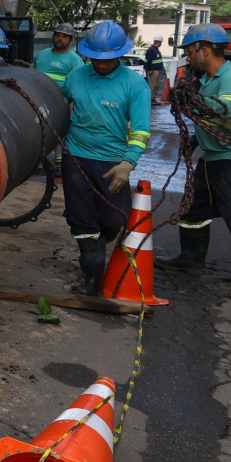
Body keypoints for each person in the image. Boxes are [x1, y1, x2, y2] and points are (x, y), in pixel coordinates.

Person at [157, 22, 231, 300]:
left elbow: (225, 108)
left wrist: (191, 101)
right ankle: (191, 260)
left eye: (190, 52)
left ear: (204, 50)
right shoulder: (206, 79)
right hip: (213, 159)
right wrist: (196, 140)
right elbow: (209, 120)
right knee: (192, 210)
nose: (187, 57)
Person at [59, 21, 153, 294]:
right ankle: (92, 279)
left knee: (113, 220)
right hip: (75, 157)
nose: (101, 64)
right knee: (82, 218)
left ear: (120, 55)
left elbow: (141, 129)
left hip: (113, 163)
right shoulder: (76, 76)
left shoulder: (136, 85)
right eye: (96, 59)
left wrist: (128, 162)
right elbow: (57, 104)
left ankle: (97, 253)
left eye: (108, 59)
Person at [143, 36, 166, 105]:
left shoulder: (156, 50)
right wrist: (149, 69)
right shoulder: (151, 50)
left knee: (156, 85)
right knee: (152, 85)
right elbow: (148, 60)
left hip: (158, 69)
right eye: (161, 42)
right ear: (159, 42)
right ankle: (149, 99)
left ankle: (153, 98)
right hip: (154, 70)